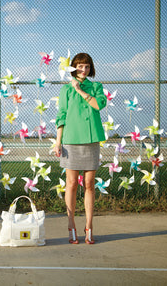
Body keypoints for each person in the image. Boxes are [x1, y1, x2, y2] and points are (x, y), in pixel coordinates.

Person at [54, 53, 107, 244]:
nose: (83, 70)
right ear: (73, 68)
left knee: (90, 183)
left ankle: (89, 225)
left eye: (86, 66)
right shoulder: (65, 90)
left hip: (91, 140)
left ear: (90, 68)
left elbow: (98, 105)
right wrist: (58, 142)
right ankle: (71, 225)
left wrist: (80, 91)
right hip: (70, 139)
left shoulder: (95, 87)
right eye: (79, 66)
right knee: (71, 184)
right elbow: (61, 115)